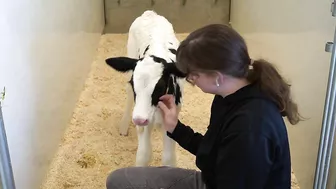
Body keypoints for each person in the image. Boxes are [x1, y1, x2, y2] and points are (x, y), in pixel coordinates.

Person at [105, 24, 303, 189]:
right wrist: (176, 128)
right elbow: (214, 153)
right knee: (118, 181)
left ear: (217, 77)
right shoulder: (227, 95)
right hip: (215, 179)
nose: (190, 80)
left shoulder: (250, 129)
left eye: (193, 74)